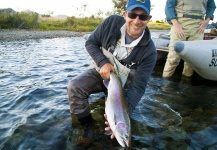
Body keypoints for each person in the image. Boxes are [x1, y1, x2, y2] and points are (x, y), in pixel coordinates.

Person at [67, 0, 157, 129]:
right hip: (100, 73)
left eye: (143, 16)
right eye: (132, 15)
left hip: (124, 86)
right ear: (125, 14)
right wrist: (103, 62)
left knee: (118, 121)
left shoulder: (150, 52)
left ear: (149, 19)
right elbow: (91, 42)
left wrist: (123, 117)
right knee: (74, 87)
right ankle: (85, 127)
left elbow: (138, 88)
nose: (137, 21)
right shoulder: (111, 23)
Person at [162, 0, 216, 78]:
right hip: (180, 23)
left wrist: (206, 21)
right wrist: (176, 24)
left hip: (199, 26)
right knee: (173, 57)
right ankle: (165, 83)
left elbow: (212, 6)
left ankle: (186, 82)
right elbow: (169, 6)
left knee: (192, 60)